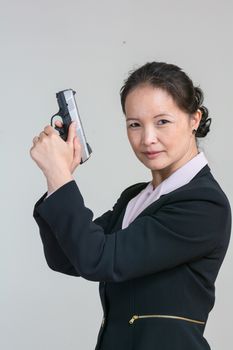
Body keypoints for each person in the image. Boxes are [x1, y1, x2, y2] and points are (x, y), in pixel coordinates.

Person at [30, 61, 232, 350]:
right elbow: (66, 258)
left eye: (162, 121)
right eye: (135, 124)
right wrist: (58, 177)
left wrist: (60, 177)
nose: (147, 138)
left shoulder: (204, 204)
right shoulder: (136, 197)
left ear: (194, 119)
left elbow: (97, 259)